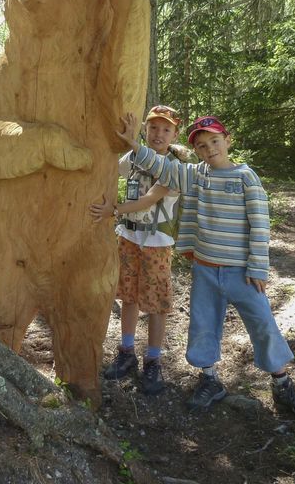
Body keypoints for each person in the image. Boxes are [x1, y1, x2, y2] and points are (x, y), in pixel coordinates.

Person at [114, 113, 295, 420]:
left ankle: (282, 383)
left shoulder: (245, 177)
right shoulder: (195, 175)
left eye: (214, 141)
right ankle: (209, 378)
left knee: (262, 324)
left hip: (241, 272)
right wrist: (134, 144)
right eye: (201, 145)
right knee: (203, 325)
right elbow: (163, 167)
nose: (209, 149)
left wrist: (258, 267)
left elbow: (260, 225)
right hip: (205, 268)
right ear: (196, 151)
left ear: (227, 141)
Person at [90, 105, 186, 395]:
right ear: (145, 130)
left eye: (166, 129)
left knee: (156, 302)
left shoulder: (174, 167)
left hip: (157, 243)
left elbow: (149, 200)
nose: (159, 134)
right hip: (129, 237)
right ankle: (127, 351)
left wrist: (113, 210)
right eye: (153, 127)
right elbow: (108, 169)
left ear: (175, 135)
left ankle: (153, 360)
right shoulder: (133, 158)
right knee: (129, 295)